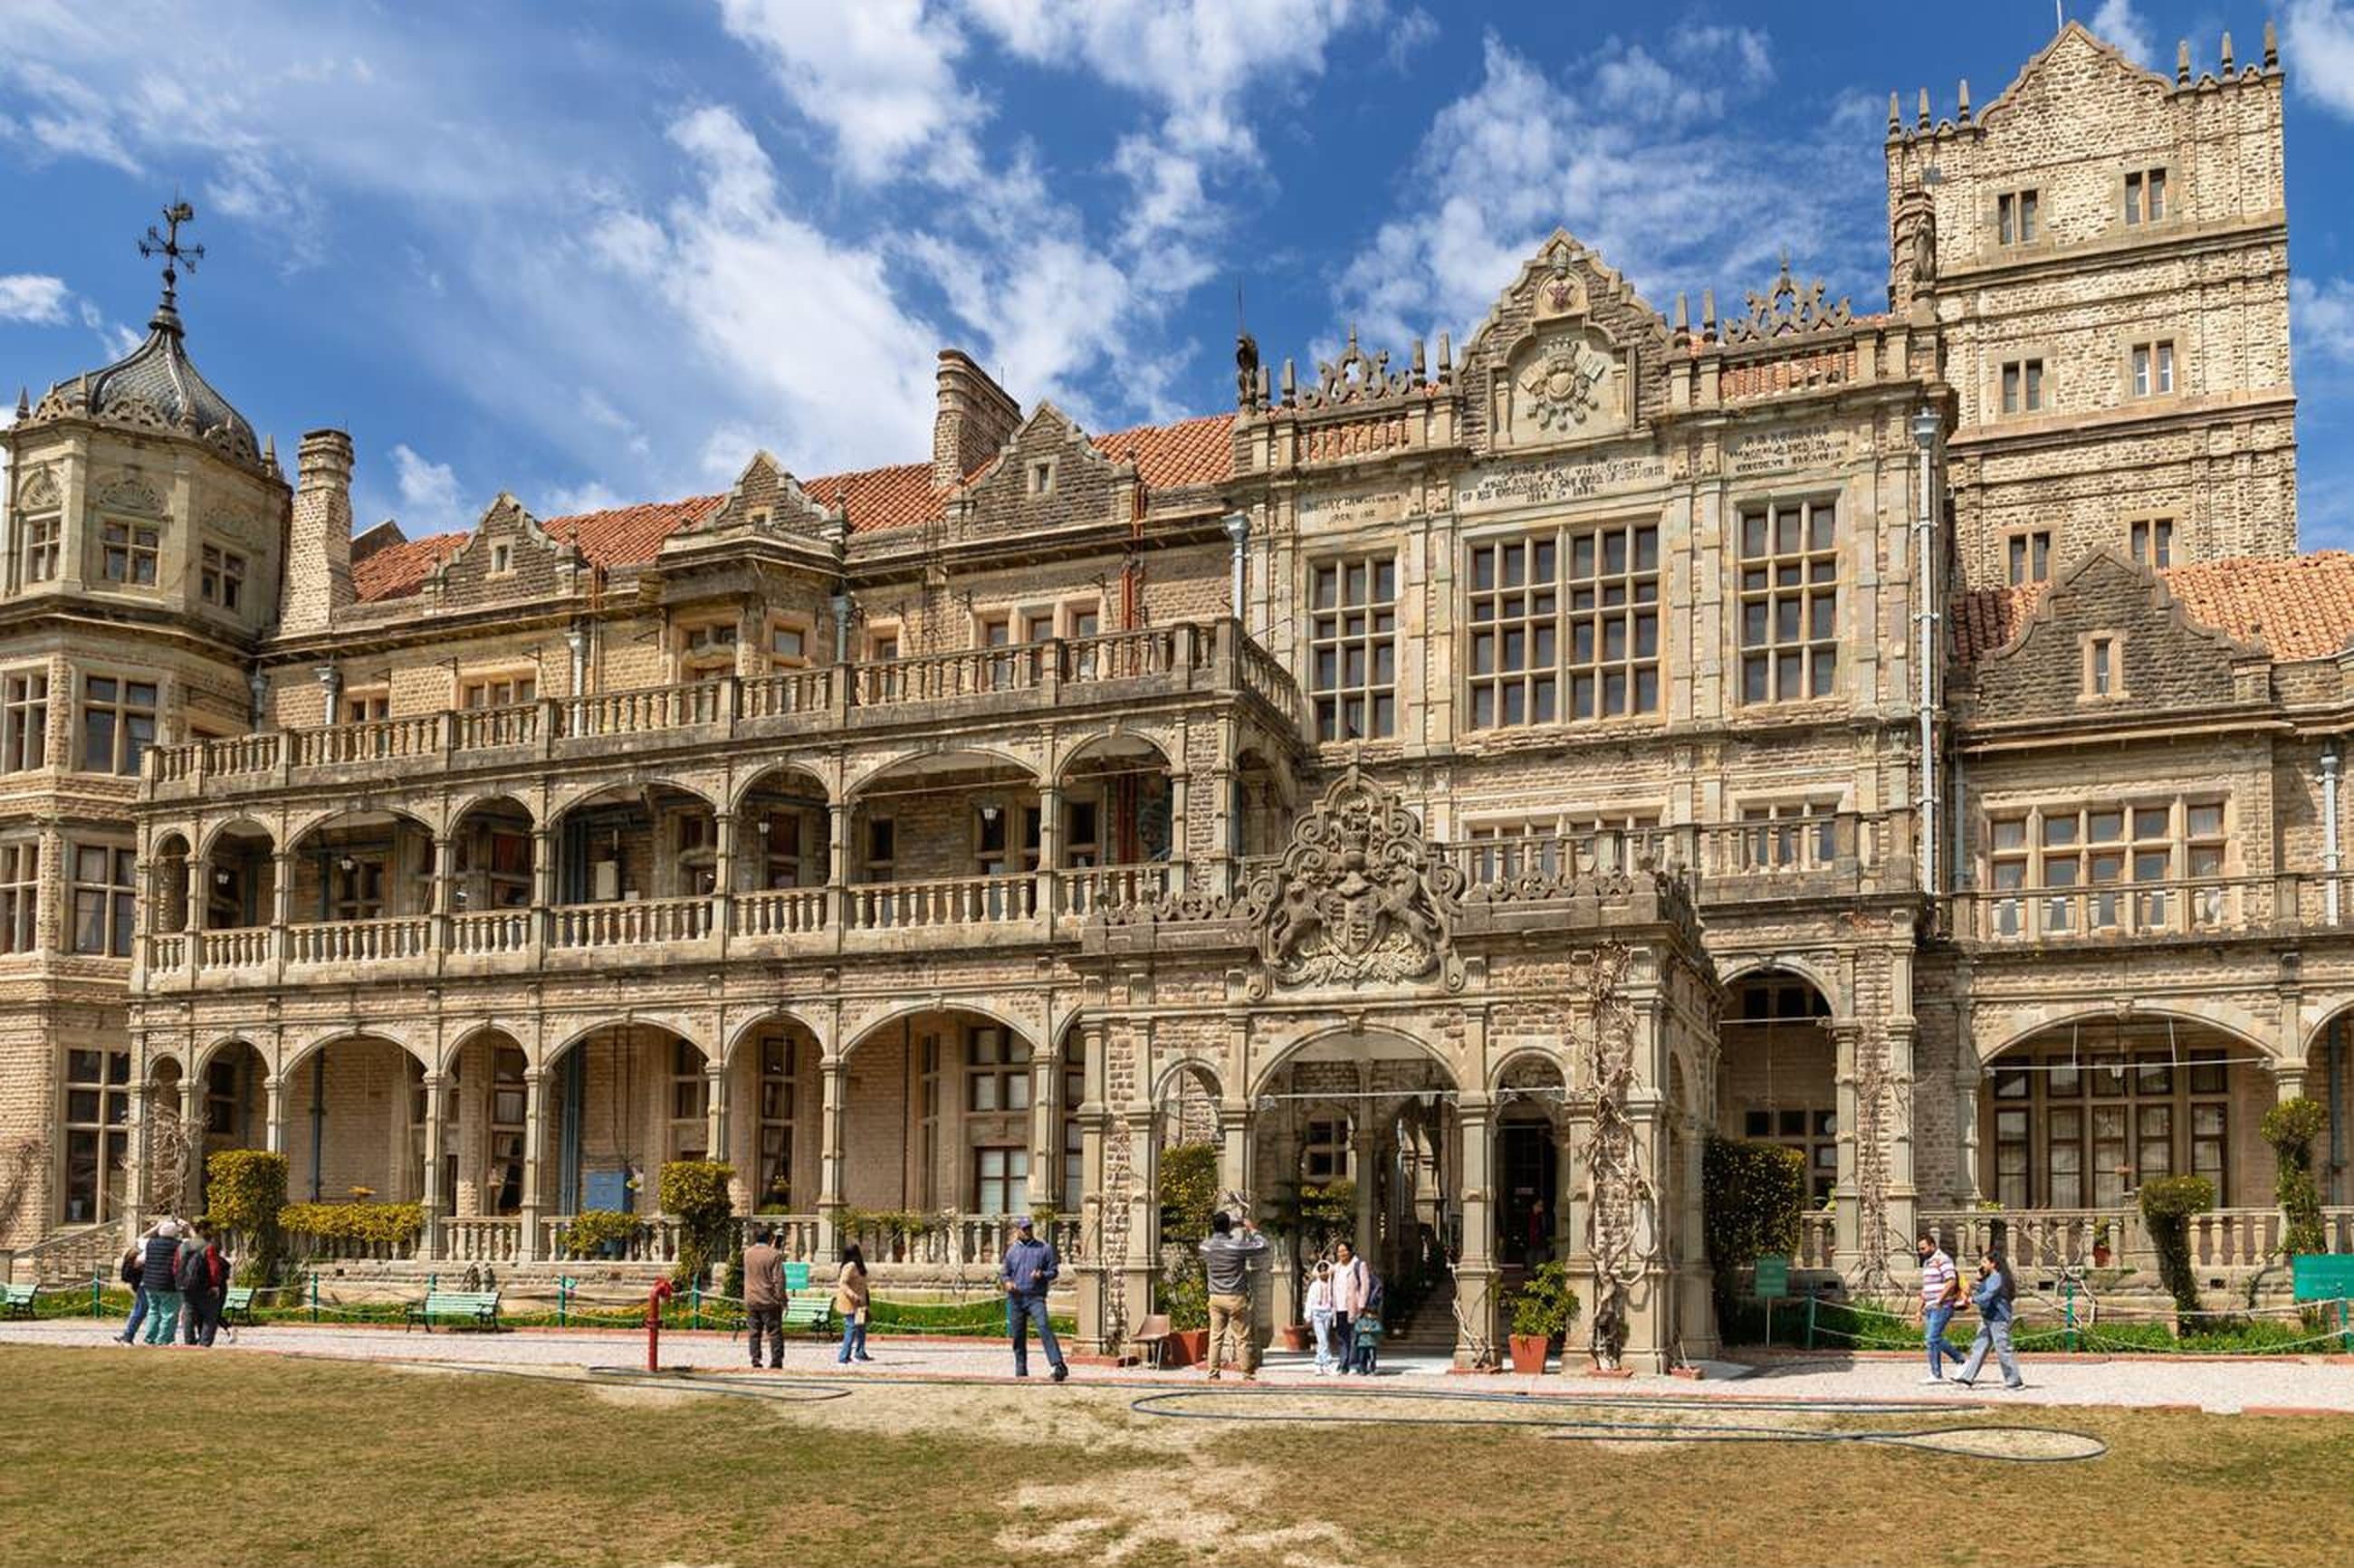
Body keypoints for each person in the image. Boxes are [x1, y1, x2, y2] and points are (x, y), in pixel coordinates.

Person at [1197, 1210, 1269, 1382]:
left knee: (1215, 1337)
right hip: (1236, 1296)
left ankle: (1213, 1374)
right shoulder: (1235, 1246)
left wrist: (1229, 1226)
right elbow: (1263, 1246)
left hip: (1215, 1296)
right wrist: (1251, 1229)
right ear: (1228, 1227)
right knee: (1242, 1338)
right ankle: (1247, 1374)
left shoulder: (1205, 1247)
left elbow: (1214, 1240)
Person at [1000, 1215, 1067, 1382]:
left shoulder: (1044, 1248)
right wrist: (1007, 1282)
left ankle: (1058, 1365)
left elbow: (1054, 1271)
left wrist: (1042, 1274)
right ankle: (1021, 1371)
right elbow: (1004, 1272)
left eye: (1029, 1228)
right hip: (1016, 1298)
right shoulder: (1012, 1250)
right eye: (1024, 1229)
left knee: (1044, 1328)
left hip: (1035, 1297)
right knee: (1018, 1336)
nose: (1028, 1231)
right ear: (1018, 1231)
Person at [1951, 1249, 2024, 1391]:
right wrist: (1979, 1280)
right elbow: (1983, 1292)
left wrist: (1971, 1300)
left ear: (1993, 1263)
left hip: (1998, 1319)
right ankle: (1967, 1378)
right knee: (1979, 1347)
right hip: (1988, 1318)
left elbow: (1989, 1295)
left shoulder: (1996, 1277)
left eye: (1984, 1262)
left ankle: (2014, 1380)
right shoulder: (1989, 1277)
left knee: (2003, 1349)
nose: (1981, 1264)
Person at [1916, 1231, 1966, 1383]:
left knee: (1932, 1338)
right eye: (1919, 1249)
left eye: (1923, 1248)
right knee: (1932, 1340)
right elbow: (1926, 1288)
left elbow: (1951, 1281)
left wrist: (1939, 1300)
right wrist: (1919, 1308)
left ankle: (1961, 1360)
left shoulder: (1943, 1259)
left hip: (1942, 1305)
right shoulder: (1927, 1263)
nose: (1921, 1252)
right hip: (1930, 1306)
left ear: (1933, 1246)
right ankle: (1936, 1373)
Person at [742, 1225, 785, 1370]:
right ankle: (776, 1361)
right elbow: (779, 1280)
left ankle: (755, 1359)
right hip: (769, 1299)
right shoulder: (774, 1255)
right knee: (774, 1331)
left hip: (751, 1297)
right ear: (770, 1238)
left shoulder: (747, 1253)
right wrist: (782, 1299)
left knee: (754, 1332)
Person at [139, 1219, 185, 1346]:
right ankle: (164, 1339)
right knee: (169, 1313)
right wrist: (188, 1227)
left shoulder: (150, 1243)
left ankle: (150, 1338)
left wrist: (156, 1226)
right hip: (169, 1283)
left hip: (150, 1282)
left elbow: (141, 1237)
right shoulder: (179, 1245)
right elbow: (197, 1243)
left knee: (153, 1311)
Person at [177, 1221, 222, 1347]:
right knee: (209, 1315)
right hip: (204, 1285)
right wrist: (215, 1284)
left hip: (184, 1285)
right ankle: (205, 1343)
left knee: (189, 1314)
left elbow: (176, 1266)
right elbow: (214, 1268)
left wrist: (180, 1281)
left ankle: (189, 1342)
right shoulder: (208, 1247)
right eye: (210, 1229)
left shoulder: (182, 1246)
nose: (212, 1232)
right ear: (202, 1230)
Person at [1330, 1240, 1368, 1375]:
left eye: (1344, 1250)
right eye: (1339, 1251)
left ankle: (1354, 1364)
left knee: (1354, 1337)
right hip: (1339, 1307)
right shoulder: (1336, 1268)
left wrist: (1362, 1304)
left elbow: (1365, 1286)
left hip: (1353, 1307)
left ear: (1350, 1251)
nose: (1342, 1253)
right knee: (1342, 1338)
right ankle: (1343, 1364)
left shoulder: (1359, 1265)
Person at [117, 1225, 157, 1344]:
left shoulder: (137, 1248)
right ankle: (129, 1336)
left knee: (139, 1311)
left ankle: (128, 1335)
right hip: (143, 1284)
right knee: (142, 1311)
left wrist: (156, 1227)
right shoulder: (144, 1251)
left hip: (137, 1284)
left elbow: (142, 1236)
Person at [835, 1243, 872, 1364]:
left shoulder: (858, 1266)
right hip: (850, 1302)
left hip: (860, 1302)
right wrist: (854, 1296)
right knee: (851, 1328)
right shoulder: (850, 1266)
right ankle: (843, 1356)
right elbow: (843, 1283)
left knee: (861, 1328)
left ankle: (860, 1352)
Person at [1350, 1263, 1385, 1375]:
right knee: (1361, 1350)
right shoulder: (1357, 1278)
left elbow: (1376, 1291)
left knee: (1370, 1354)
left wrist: (1369, 1305)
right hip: (1360, 1309)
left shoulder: (1372, 1280)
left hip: (1368, 1307)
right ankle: (1361, 1367)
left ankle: (1369, 1367)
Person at [1305, 1259, 1337, 1375]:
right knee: (1322, 1340)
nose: (1323, 1273)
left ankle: (1318, 1364)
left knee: (1323, 1340)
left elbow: (1334, 1301)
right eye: (1321, 1271)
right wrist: (1308, 1315)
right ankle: (1328, 1364)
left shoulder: (1331, 1285)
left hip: (1327, 1313)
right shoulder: (1314, 1285)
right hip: (1317, 1313)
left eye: (1325, 1270)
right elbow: (1309, 1300)